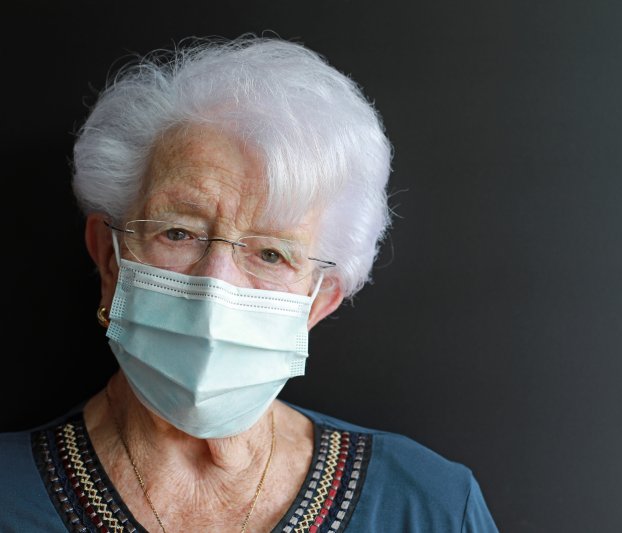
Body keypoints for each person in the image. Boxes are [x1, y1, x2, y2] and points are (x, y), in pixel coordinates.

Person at [0, 34, 498, 532]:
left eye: (271, 254)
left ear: (318, 300)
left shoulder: (429, 506)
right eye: (179, 232)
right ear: (110, 261)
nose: (216, 285)